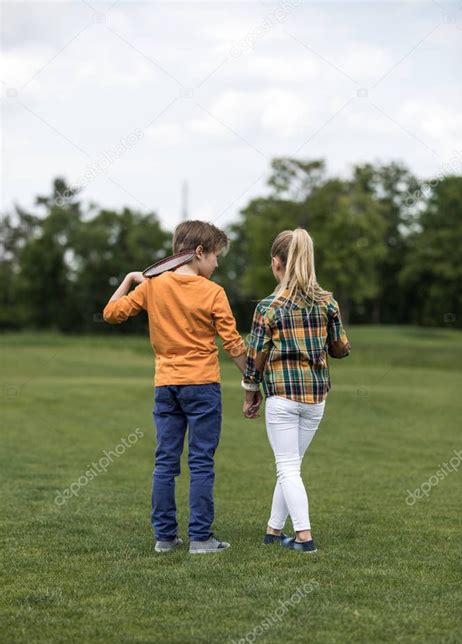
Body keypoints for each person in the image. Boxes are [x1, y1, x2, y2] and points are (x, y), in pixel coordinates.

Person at [103, 220, 247, 554]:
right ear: (199, 253)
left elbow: (111, 313)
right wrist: (252, 381)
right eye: (215, 256)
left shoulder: (152, 287)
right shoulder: (213, 292)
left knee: (165, 462)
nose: (216, 264)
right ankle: (200, 539)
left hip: (166, 385)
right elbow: (233, 344)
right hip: (202, 385)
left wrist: (129, 279)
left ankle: (165, 539)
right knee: (201, 462)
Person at [242, 228, 350, 553]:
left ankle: (304, 538)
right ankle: (273, 531)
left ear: (277, 263)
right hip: (316, 398)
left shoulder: (268, 307)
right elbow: (341, 348)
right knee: (291, 465)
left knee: (287, 466)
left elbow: (255, 357)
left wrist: (250, 393)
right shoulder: (327, 302)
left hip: (282, 396)